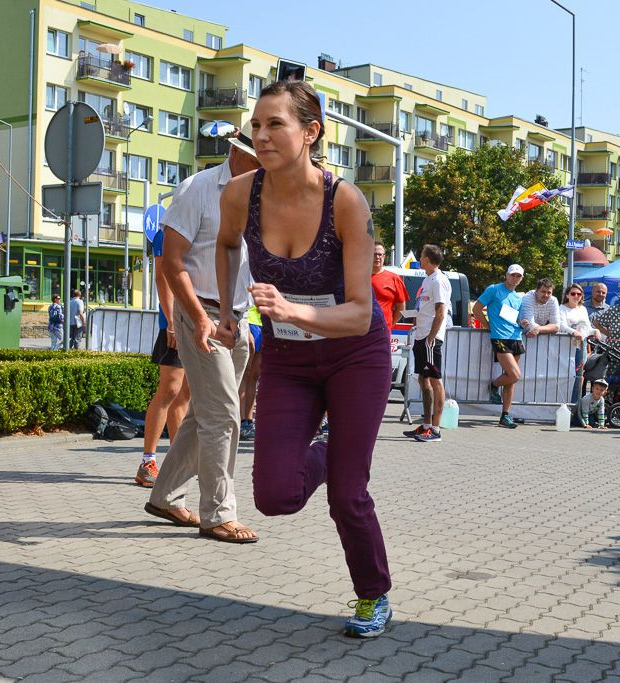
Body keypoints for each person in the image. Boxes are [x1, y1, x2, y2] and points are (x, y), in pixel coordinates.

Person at [216, 79, 393, 637]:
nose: (260, 135)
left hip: (355, 357)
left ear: (311, 132)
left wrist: (291, 311)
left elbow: (362, 313)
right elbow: (224, 245)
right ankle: (326, 448)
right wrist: (228, 310)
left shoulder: (345, 200)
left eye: (275, 124)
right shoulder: (240, 193)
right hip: (291, 363)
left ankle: (373, 597)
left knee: (347, 493)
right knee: (274, 496)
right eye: (256, 124)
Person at [143, 134, 261, 542]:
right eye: (259, 153)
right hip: (203, 313)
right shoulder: (198, 188)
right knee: (225, 416)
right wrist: (194, 318)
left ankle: (165, 496)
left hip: (236, 317)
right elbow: (172, 262)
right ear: (238, 152)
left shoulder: (263, 193)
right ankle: (218, 514)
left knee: (203, 416)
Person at [135, 228, 191, 487]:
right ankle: (148, 461)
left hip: (196, 323)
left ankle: (178, 462)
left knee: (185, 395)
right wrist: (171, 323)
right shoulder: (166, 233)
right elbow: (162, 279)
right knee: (169, 390)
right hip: (173, 325)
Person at [403, 244, 451, 443]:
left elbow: (441, 311)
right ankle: (426, 424)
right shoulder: (427, 279)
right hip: (421, 336)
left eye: (422, 256)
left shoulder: (439, 280)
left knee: (434, 379)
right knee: (423, 379)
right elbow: (425, 306)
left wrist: (432, 336)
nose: (420, 259)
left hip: (431, 338)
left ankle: (436, 429)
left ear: (427, 259)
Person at [473, 264, 526, 429]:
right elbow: (476, 309)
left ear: (521, 278)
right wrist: (487, 325)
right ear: (506, 275)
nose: (515, 278)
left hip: (516, 337)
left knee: (510, 380)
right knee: (515, 375)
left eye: (518, 276)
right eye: (513, 275)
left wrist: (522, 322)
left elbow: (515, 318)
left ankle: (505, 415)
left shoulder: (518, 297)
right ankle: (494, 385)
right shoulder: (494, 289)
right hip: (499, 337)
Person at [558, 283, 597, 402]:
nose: (576, 296)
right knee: (566, 376)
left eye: (579, 294)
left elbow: (587, 328)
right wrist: (573, 332)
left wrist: (595, 331)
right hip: (565, 347)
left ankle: (575, 405)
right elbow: (561, 325)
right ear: (567, 295)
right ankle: (564, 403)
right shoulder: (562, 308)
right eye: (573, 293)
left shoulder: (583, 309)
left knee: (579, 377)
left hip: (581, 347)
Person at [239, 305, 263, 441]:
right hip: (249, 322)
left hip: (262, 323)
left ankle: (248, 421)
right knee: (244, 374)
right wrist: (246, 329)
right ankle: (241, 420)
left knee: (254, 376)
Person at [370, 243, 408, 329]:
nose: (377, 257)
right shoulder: (359, 278)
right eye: (374, 254)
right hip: (361, 332)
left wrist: (389, 325)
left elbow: (401, 308)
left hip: (383, 331)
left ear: (384, 257)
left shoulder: (394, 278)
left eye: (380, 254)